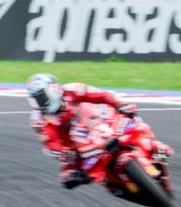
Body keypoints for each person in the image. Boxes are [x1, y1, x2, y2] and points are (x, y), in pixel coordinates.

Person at [26, 73, 159, 189]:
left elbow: (101, 96)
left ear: (53, 90)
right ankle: (111, 182)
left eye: (40, 98)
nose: (38, 104)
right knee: (67, 178)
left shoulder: (73, 89)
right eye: (35, 100)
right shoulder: (39, 119)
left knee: (135, 121)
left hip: (97, 122)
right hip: (76, 147)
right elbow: (51, 142)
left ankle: (155, 146)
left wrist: (120, 105)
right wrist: (63, 153)